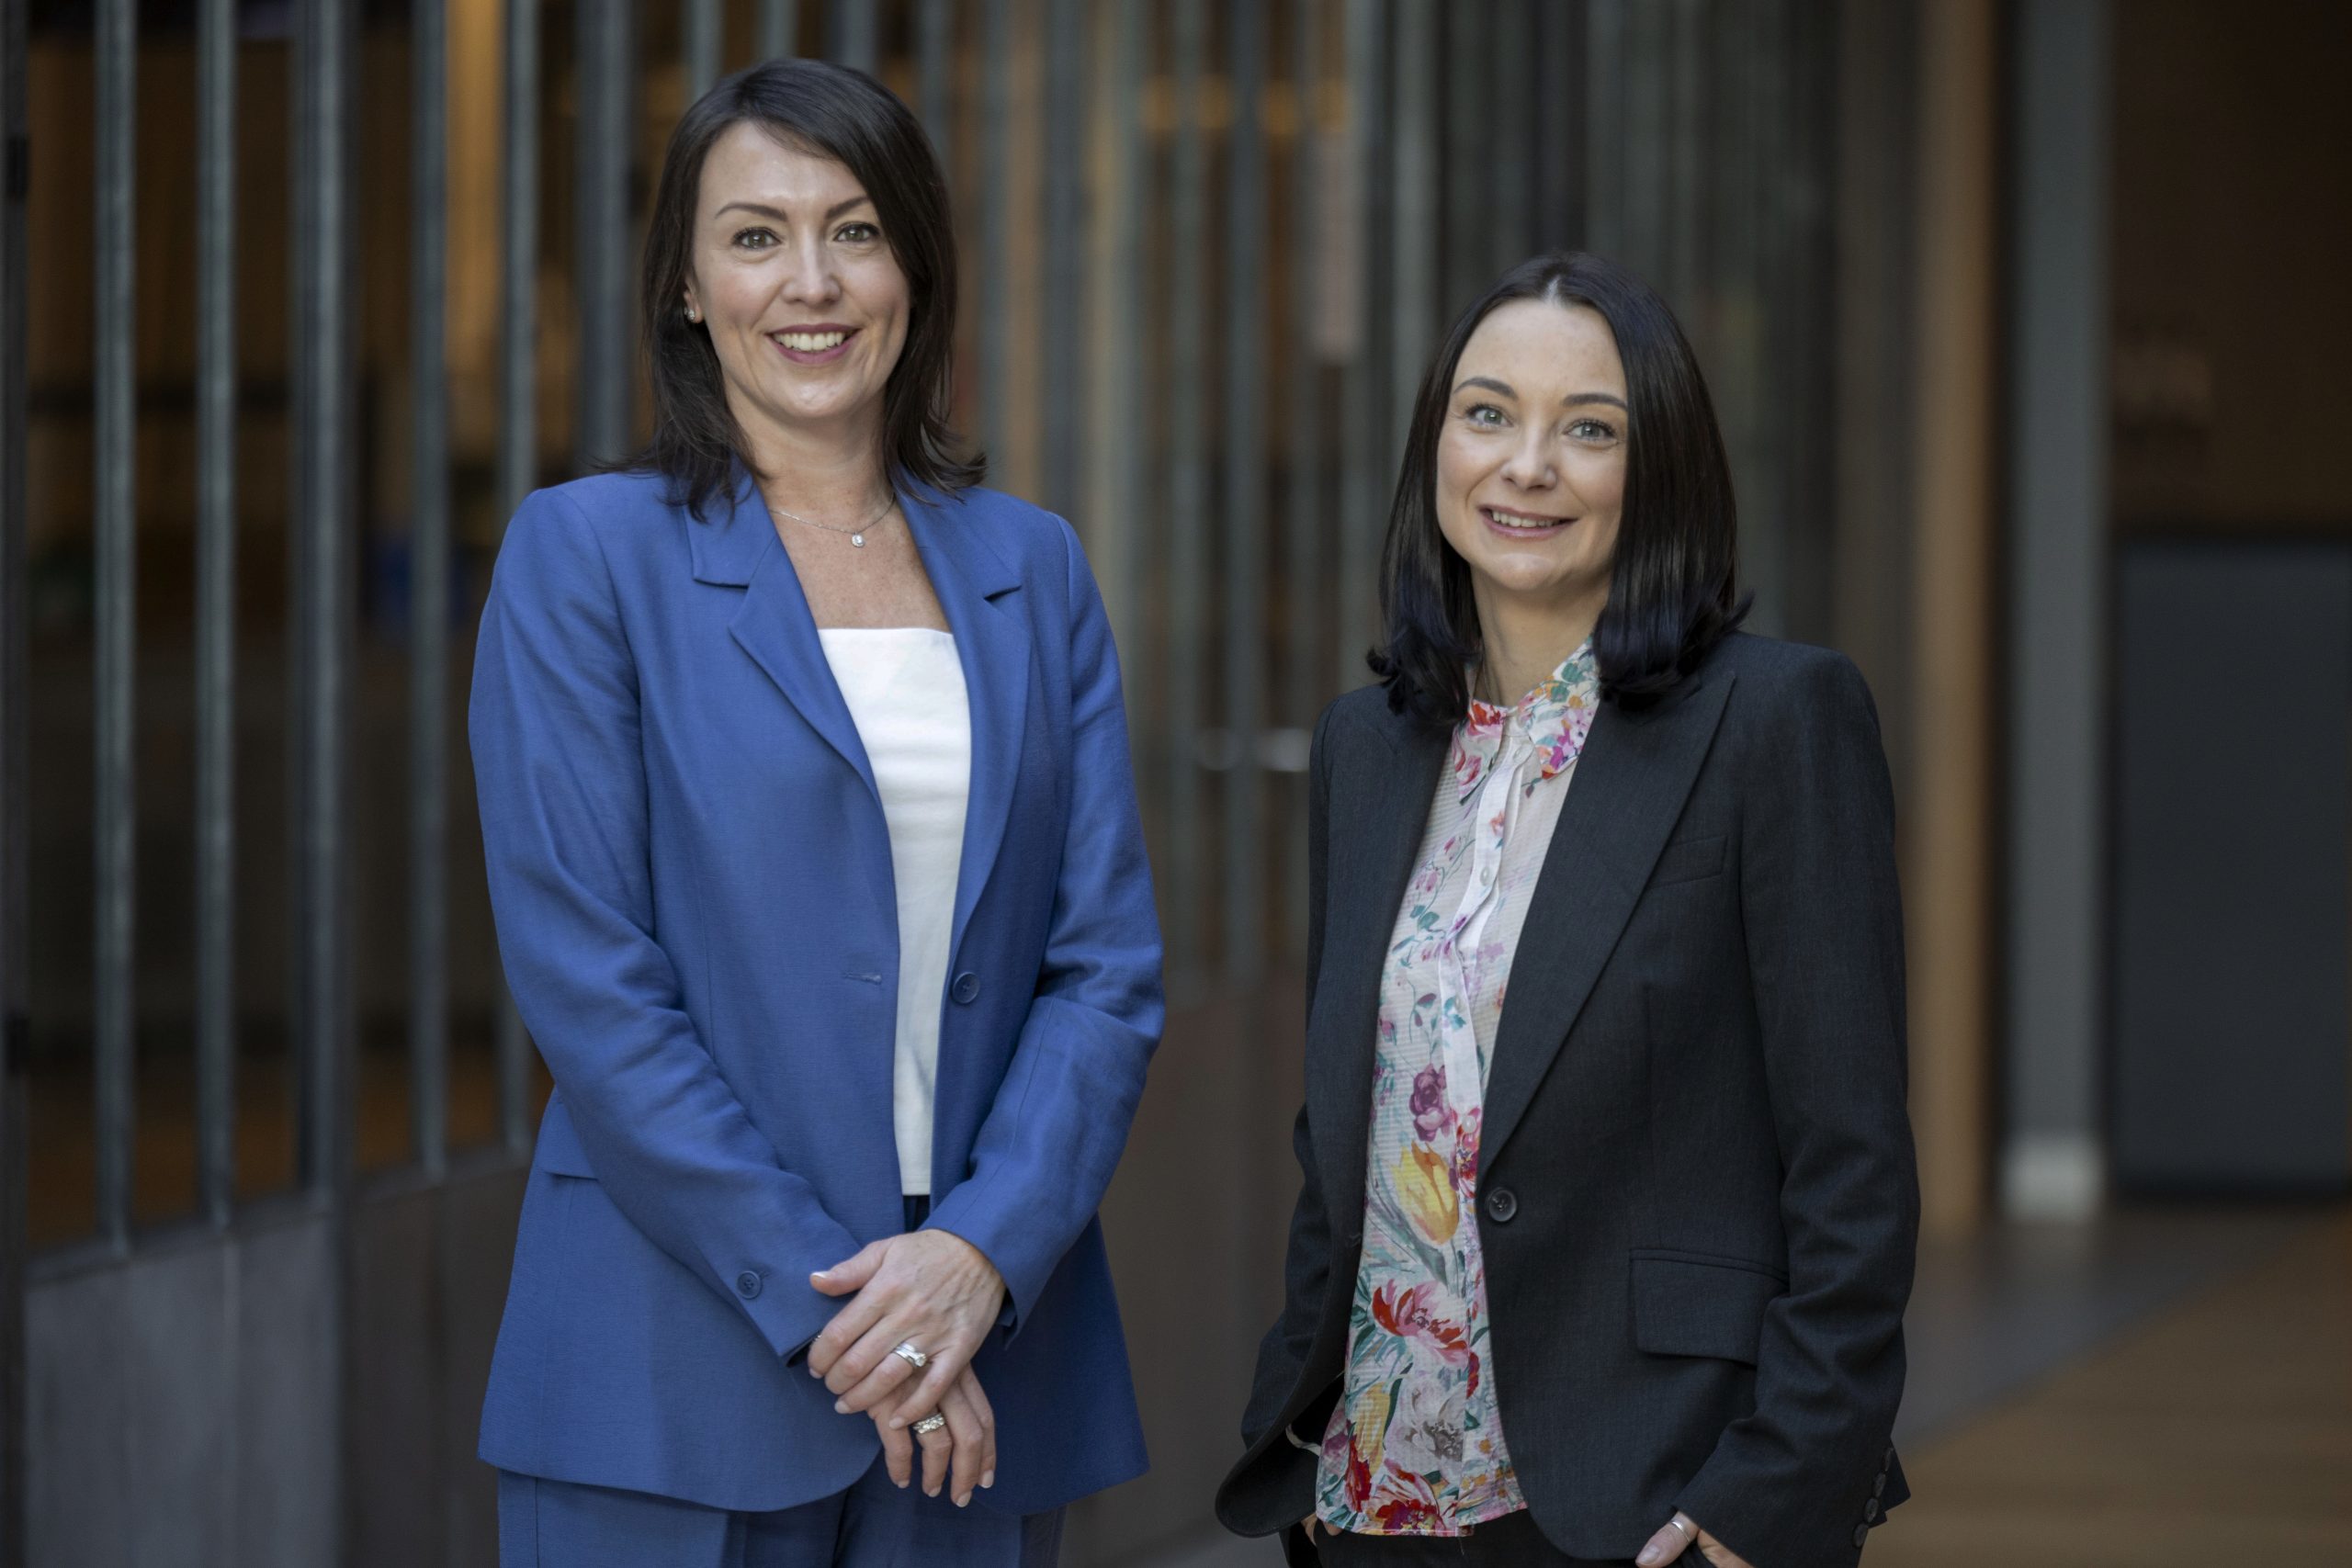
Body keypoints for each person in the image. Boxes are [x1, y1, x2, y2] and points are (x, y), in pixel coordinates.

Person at [469, 58, 1161, 1568]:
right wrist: (857, 1319)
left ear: (914, 265)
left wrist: (978, 1255)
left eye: (854, 230)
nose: (811, 282)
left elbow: (1103, 971)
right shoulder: (586, 559)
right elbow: (593, 990)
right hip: (677, 1356)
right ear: (687, 284)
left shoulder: (1030, 569)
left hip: (984, 1345)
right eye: (755, 235)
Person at [1216, 252, 1917, 1568]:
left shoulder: (1778, 721)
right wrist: (1296, 1419)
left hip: (1654, 1489)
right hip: (1382, 1482)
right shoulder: (1368, 748)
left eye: (1589, 430)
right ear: (1436, 447)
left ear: (1659, 476)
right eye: (1487, 415)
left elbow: (1852, 1157)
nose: (1526, 464)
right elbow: (1347, 1126)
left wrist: (1782, 1482)